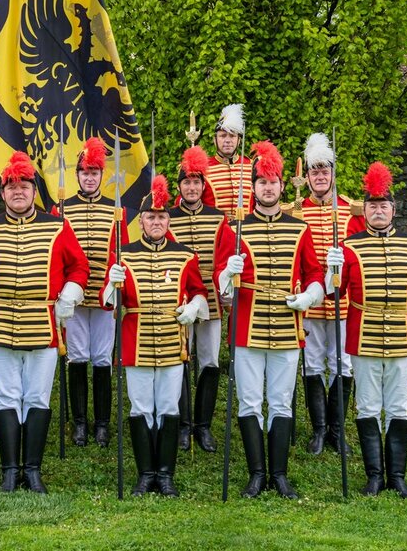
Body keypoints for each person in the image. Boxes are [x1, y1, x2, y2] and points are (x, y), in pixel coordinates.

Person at [0, 151, 89, 493]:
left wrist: (70, 293)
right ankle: (9, 469)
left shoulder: (57, 225)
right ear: (2, 193)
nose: (18, 192)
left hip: (42, 325)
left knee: (37, 397)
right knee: (5, 397)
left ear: (34, 191)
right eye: (11, 187)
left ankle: (32, 470)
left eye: (24, 186)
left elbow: (79, 266)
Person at [214, 141, 324, 499]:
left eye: (273, 181)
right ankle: (256, 474)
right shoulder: (234, 228)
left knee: (280, 401)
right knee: (249, 402)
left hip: (288, 329)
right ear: (253, 187)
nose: (268, 187)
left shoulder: (300, 228)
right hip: (246, 328)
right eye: (261, 181)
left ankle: (279, 474)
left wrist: (309, 296)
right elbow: (219, 280)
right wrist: (226, 274)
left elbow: (314, 274)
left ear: (281, 186)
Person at [337, 161, 407, 498]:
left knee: (398, 408)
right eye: (372, 206)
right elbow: (334, 293)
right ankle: (374, 477)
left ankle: (396, 477)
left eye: (383, 206)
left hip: (401, 338)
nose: (378, 211)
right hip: (363, 338)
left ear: (393, 210)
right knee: (367, 407)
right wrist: (331, 272)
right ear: (364, 210)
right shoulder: (349, 247)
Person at [102, 175, 207, 496]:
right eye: (151, 217)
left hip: (173, 343)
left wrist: (195, 307)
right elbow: (108, 303)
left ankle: (166, 474)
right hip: (136, 343)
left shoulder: (185, 255)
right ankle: (145, 474)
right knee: (141, 407)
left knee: (169, 406)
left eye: (162, 217)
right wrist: (112, 283)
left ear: (168, 220)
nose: (157, 222)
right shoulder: (123, 255)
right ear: (141, 222)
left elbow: (199, 291)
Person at [53, 137, 126, 448]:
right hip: (73, 297)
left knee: (102, 358)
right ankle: (80, 422)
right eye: (84, 172)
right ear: (77, 175)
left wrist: (115, 286)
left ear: (101, 174)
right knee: (78, 357)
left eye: (95, 173)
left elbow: (121, 252)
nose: (90, 178)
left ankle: (102, 423)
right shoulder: (62, 208)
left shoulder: (115, 210)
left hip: (104, 295)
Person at [295, 132, 364, 455]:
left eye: (325, 170)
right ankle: (319, 430)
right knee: (312, 364)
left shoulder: (351, 210)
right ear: (307, 177)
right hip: (311, 304)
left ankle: (337, 430)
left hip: (344, 302)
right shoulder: (297, 212)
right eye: (314, 171)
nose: (320, 176)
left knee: (343, 365)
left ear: (333, 173)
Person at [167, 145, 229, 452]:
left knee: (209, 360)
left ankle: (203, 426)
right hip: (180, 299)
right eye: (186, 182)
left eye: (196, 182)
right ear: (179, 186)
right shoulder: (168, 217)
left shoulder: (218, 218)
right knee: (180, 357)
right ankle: (182, 425)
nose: (191, 188)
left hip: (212, 299)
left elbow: (225, 257)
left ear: (203, 186)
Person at [202, 103, 253, 211]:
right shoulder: (203, 167)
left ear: (239, 140)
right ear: (215, 140)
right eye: (223, 136)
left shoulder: (252, 165)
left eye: (232, 136)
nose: (228, 140)